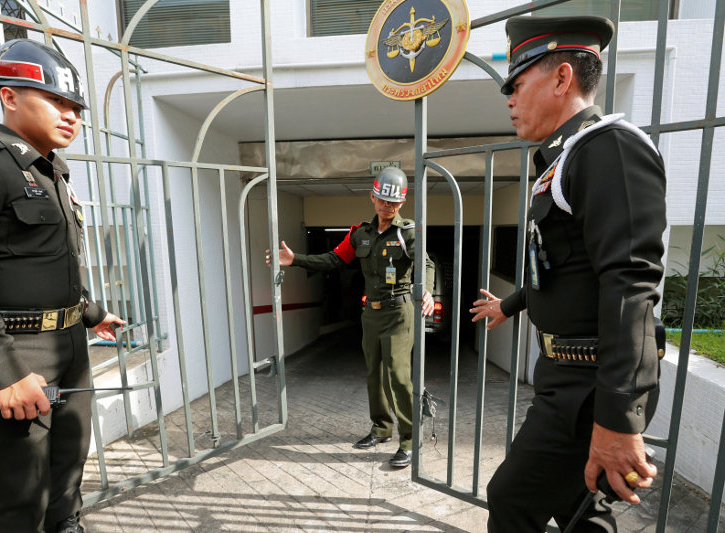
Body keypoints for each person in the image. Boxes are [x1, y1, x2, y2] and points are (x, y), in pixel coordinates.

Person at [469, 16, 666, 532]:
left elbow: (630, 282)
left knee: (511, 498)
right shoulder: (562, 159)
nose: (508, 98)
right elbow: (562, 271)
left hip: (590, 385)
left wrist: (618, 418)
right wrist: (507, 306)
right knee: (580, 511)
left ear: (561, 78)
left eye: (517, 84)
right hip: (565, 377)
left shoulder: (609, 148)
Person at [0, 39, 125, 533]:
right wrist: (4, 370)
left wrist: (94, 313)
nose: (71, 116)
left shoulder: (54, 174)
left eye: (75, 107)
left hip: (68, 344)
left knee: (67, 469)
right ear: (10, 97)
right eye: (55, 101)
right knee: (22, 489)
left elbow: (49, 266)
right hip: (16, 350)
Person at [266, 167, 435, 467]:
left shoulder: (407, 232)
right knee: (374, 373)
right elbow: (333, 258)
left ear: (402, 203)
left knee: (397, 374)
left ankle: (410, 440)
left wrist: (428, 292)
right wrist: (295, 261)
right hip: (371, 314)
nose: (387, 206)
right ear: (372, 197)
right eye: (383, 199)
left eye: (394, 202)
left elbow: (426, 263)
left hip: (400, 313)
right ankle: (381, 428)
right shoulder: (360, 234)